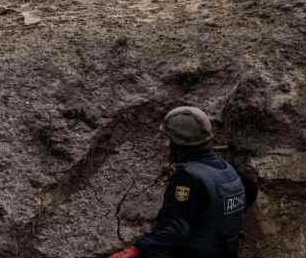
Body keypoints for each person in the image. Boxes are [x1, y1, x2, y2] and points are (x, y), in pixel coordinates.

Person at [109, 107, 258, 258]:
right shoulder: (227, 169)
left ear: (177, 143)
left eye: (169, 140)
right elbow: (250, 191)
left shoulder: (188, 177)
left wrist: (136, 250)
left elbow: (175, 228)